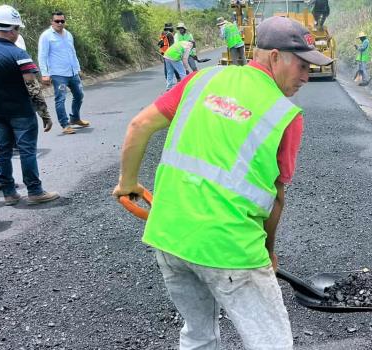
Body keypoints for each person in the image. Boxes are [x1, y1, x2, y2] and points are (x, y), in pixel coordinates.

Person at [113, 16, 332, 350]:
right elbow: (277, 198)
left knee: (199, 335)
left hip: (169, 238)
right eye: (302, 65)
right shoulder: (284, 114)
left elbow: (139, 125)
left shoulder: (203, 79)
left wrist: (126, 182)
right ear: (274, 56)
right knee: (272, 342)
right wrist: (268, 252)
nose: (306, 76)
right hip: (230, 249)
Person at [0, 5, 58, 206]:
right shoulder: (18, 53)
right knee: (27, 150)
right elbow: (32, 87)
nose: (17, 33)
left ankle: (9, 193)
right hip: (20, 111)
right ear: (11, 29)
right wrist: (44, 114)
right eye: (17, 29)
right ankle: (35, 191)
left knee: (3, 151)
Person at [38, 11, 90, 135]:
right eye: (57, 21)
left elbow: (73, 53)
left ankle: (75, 118)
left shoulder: (68, 35)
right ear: (52, 22)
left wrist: (77, 69)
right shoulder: (46, 36)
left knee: (79, 95)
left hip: (72, 73)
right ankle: (65, 124)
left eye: (62, 21)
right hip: (58, 74)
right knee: (60, 99)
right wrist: (45, 74)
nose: (60, 23)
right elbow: (42, 55)